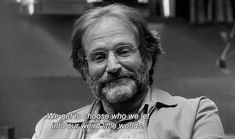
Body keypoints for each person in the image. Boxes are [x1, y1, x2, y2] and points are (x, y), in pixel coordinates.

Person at [32, 4, 225, 139]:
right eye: (99, 57)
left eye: (123, 51)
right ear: (85, 69)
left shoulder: (196, 115)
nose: (113, 66)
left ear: (147, 58)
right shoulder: (49, 130)